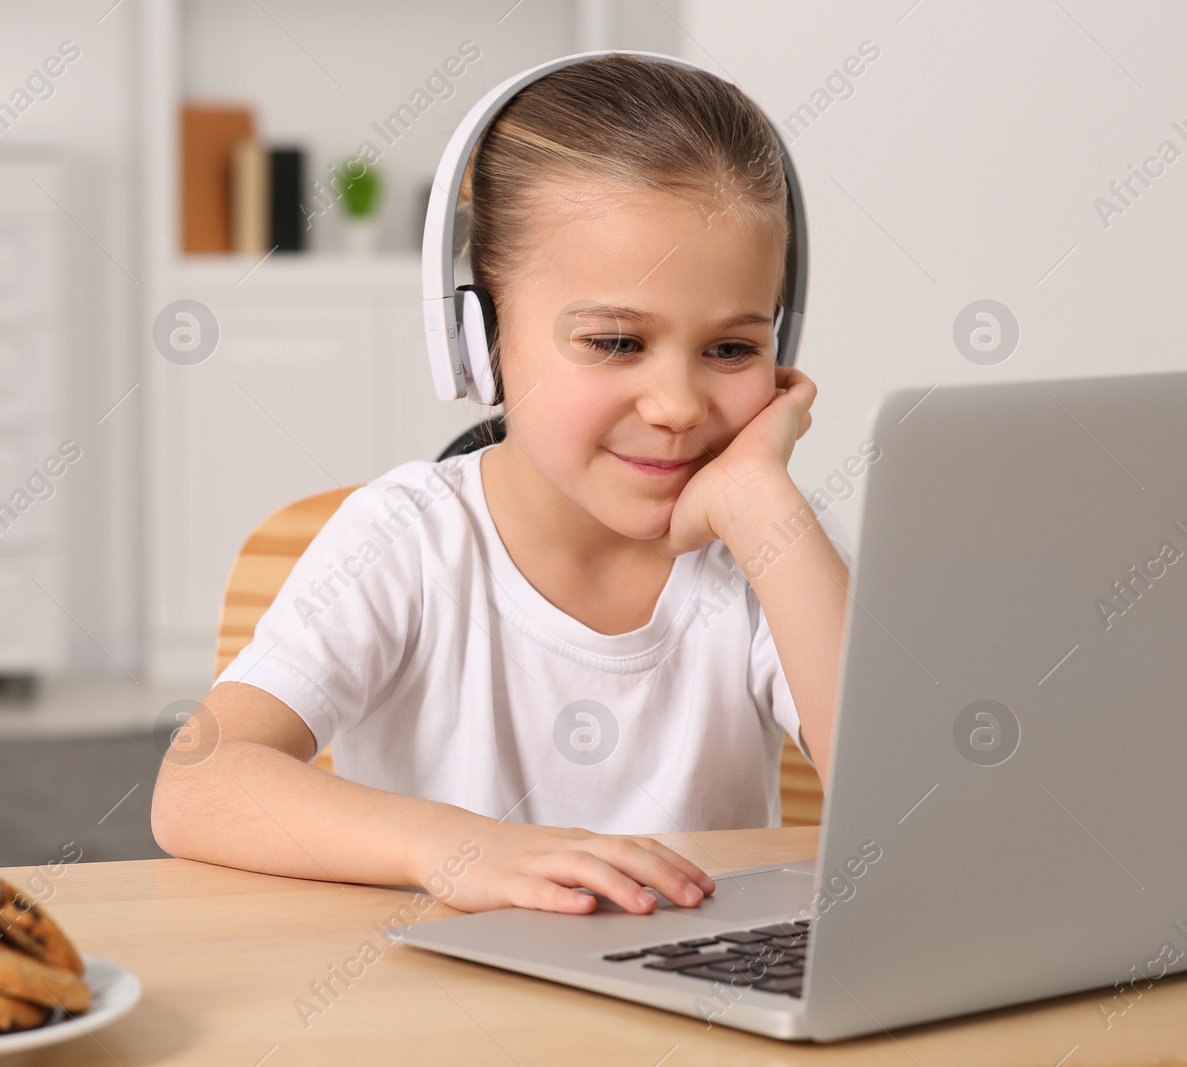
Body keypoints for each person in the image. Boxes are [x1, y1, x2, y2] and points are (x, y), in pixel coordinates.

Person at [152, 55, 854, 917]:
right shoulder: (406, 539)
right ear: (478, 340)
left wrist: (766, 508)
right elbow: (198, 786)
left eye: (732, 349)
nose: (677, 406)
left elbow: (908, 805)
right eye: (615, 342)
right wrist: (459, 848)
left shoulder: (766, 547)